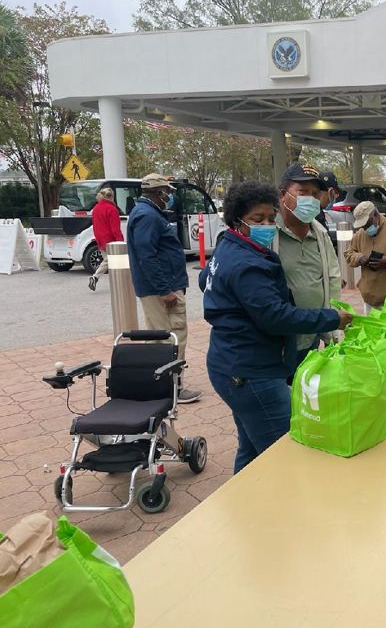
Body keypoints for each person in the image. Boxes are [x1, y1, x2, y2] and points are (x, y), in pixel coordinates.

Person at [199, 180, 353, 473]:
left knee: (250, 445)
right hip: (250, 372)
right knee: (285, 452)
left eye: (271, 218)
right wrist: (332, 318)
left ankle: (242, 502)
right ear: (237, 220)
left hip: (230, 364)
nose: (267, 224)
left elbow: (204, 280)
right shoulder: (246, 263)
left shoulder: (231, 247)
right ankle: (283, 511)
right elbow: (276, 317)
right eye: (258, 219)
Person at [127, 173, 201, 404]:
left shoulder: (145, 214)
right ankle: (172, 389)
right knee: (172, 337)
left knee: (158, 338)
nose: (169, 197)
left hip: (159, 287)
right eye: (167, 192)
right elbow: (147, 256)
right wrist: (164, 290)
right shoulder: (148, 216)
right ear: (159, 193)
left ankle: (157, 385)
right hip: (163, 289)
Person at [276, 163, 342, 368]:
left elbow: (331, 279)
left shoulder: (320, 233)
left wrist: (331, 330)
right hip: (277, 343)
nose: (311, 199)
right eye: (303, 192)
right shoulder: (269, 232)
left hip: (311, 338)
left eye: (315, 193)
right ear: (283, 195)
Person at [88, 187, 122, 291]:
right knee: (113, 262)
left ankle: (109, 282)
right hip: (111, 239)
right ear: (112, 197)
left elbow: (95, 225)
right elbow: (115, 228)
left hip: (100, 238)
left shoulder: (96, 209)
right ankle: (96, 277)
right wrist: (120, 241)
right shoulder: (112, 209)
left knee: (109, 262)